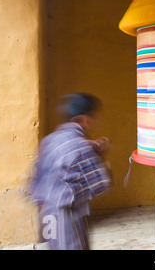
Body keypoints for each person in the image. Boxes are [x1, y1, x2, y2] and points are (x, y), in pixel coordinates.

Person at [29, 93, 112, 250]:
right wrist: (101, 155)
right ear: (84, 119)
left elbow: (35, 180)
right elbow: (102, 184)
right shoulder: (81, 146)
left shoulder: (49, 141)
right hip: (67, 218)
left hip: (47, 214)